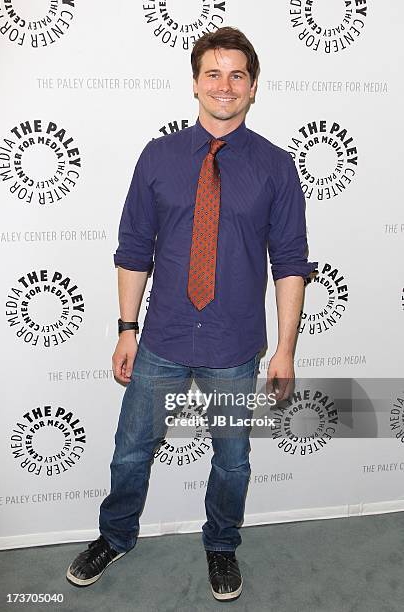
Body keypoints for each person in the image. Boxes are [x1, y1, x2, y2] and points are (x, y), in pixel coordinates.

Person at [66, 26, 317, 601]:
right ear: (195, 83)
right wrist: (127, 330)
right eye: (213, 73)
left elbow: (290, 264)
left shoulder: (277, 168)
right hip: (161, 340)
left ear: (253, 88)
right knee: (131, 449)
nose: (224, 86)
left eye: (237, 76)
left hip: (234, 346)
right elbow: (134, 249)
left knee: (232, 462)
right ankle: (115, 535)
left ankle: (222, 544)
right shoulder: (159, 156)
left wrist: (285, 349)